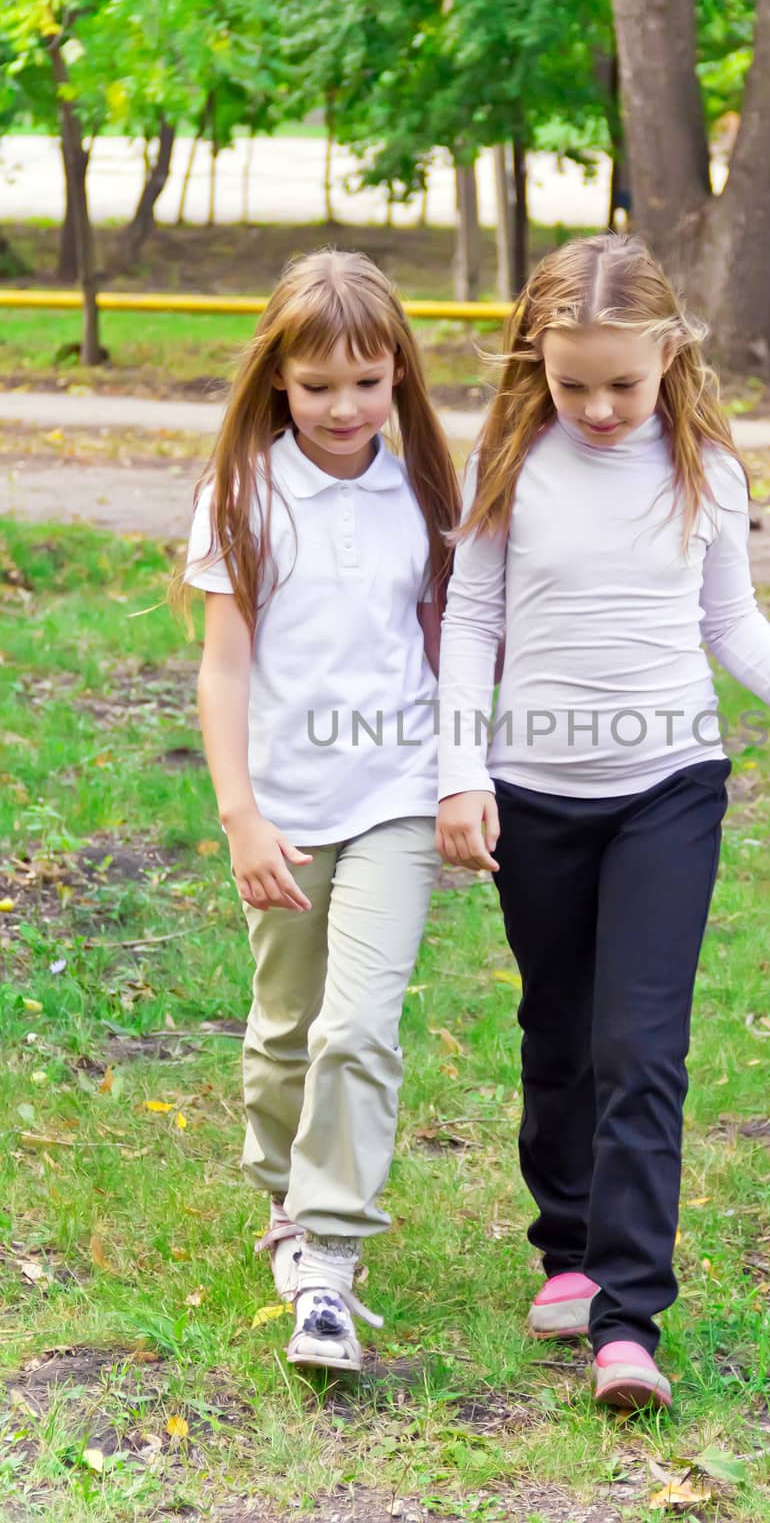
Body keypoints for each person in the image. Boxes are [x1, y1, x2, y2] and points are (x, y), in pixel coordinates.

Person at [435, 233, 770, 1411]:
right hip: (537, 791)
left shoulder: (705, 467)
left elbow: (732, 620)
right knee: (558, 1029)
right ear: (537, 365)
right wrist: (460, 771)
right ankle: (564, 1253)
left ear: (671, 353)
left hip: (670, 786)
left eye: (623, 381)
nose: (600, 407)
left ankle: (628, 1318)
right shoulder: (509, 459)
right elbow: (471, 621)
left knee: (640, 1046)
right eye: (574, 384)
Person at [183, 249, 460, 1371]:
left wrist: (459, 779)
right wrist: (240, 816)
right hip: (286, 810)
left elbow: (448, 648)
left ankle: (329, 1259)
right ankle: (285, 1206)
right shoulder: (242, 493)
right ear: (277, 384)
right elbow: (223, 671)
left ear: (398, 374)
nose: (343, 407)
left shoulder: (426, 491)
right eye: (317, 386)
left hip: (394, 795)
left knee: (359, 1025)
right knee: (286, 1031)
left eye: (367, 381)